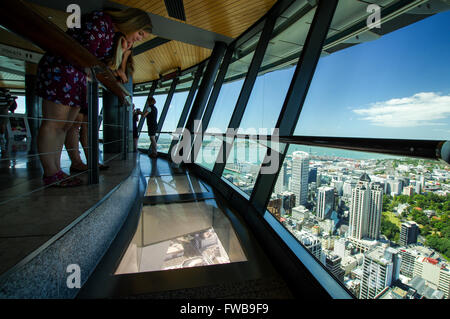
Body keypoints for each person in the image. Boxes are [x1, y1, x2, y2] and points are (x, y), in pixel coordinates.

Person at [36, 8, 152, 186]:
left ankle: (56, 171)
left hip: (77, 76)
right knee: (54, 123)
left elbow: (107, 65)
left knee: (65, 126)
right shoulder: (101, 20)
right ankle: (51, 173)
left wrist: (124, 51)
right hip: (63, 70)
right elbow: (86, 52)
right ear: (133, 23)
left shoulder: (112, 34)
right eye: (140, 33)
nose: (140, 38)